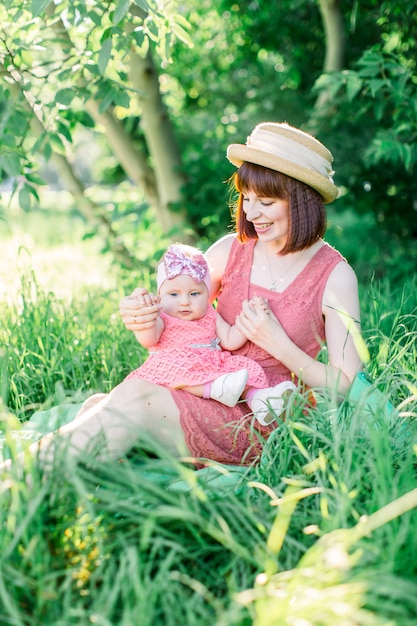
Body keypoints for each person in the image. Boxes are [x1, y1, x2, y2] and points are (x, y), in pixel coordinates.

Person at [3, 121, 363, 468]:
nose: (251, 214)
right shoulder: (232, 251)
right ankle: (26, 481)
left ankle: (20, 481)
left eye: (265, 203)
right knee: (103, 405)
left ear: (301, 202)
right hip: (206, 389)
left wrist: (278, 344)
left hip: (263, 417)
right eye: (246, 199)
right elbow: (179, 307)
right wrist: (143, 314)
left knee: (132, 400)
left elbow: (344, 384)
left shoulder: (335, 276)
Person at [125, 241, 296, 425]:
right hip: (174, 367)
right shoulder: (162, 317)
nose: (184, 302)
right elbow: (148, 339)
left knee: (244, 371)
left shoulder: (209, 314)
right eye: (174, 295)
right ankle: (214, 388)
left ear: (207, 294)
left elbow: (230, 340)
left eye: (194, 294)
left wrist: (251, 315)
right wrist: (145, 318)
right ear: (160, 296)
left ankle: (261, 400)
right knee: (180, 369)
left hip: (211, 365)